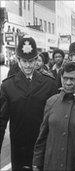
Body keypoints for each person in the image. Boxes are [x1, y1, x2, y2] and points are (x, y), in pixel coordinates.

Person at [0, 37, 57, 170]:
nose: (28, 65)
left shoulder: (49, 84)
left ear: (37, 59)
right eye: (24, 61)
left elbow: (55, 118)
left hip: (43, 145)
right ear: (18, 60)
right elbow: (1, 120)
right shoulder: (8, 86)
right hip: (19, 147)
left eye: (31, 61)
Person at [32, 62, 75, 171]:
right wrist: (37, 163)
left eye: (72, 79)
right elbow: (42, 136)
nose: (68, 83)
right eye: (65, 78)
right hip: (52, 164)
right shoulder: (52, 102)